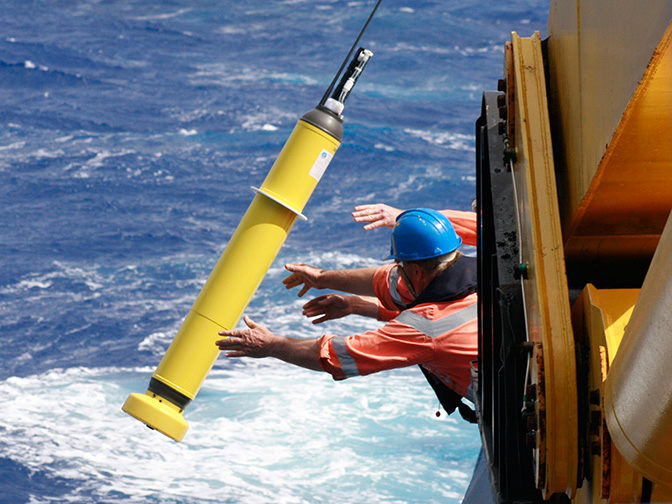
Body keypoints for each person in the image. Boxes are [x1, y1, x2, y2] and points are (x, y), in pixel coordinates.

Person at [215, 206, 479, 420]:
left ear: (416, 270)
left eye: (400, 265)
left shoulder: (427, 328)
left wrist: (272, 345)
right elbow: (388, 283)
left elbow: (342, 355)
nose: (397, 271)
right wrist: (326, 281)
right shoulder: (477, 273)